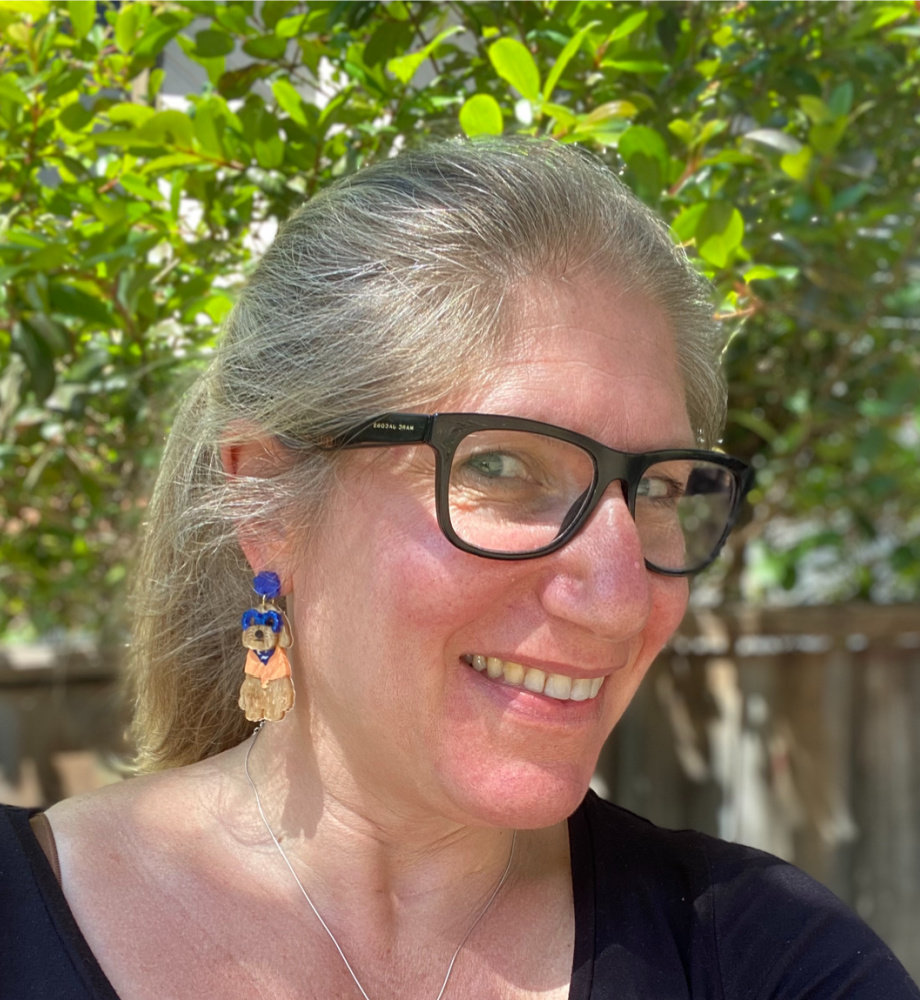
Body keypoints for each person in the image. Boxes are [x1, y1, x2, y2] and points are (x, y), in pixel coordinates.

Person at [1, 138, 917, 1000]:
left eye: (662, 488)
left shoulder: (766, 959)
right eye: (499, 466)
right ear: (270, 502)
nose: (622, 599)